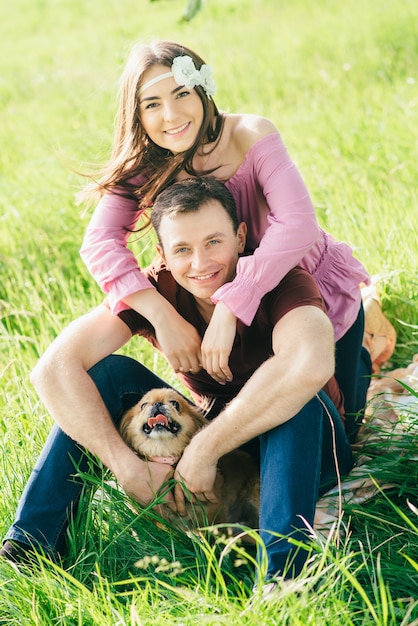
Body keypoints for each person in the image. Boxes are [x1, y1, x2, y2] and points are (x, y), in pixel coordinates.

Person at [1, 178, 368, 588]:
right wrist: (126, 468)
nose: (200, 263)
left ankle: (283, 578)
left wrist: (203, 451)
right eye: (182, 250)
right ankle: (30, 547)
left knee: (294, 388)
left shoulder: (283, 282)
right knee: (106, 374)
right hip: (224, 432)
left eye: (214, 242)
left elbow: (310, 364)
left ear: (241, 236)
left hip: (309, 440)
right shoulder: (159, 290)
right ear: (162, 253)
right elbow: (52, 369)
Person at [78, 39, 372, 441]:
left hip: (305, 297)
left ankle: (360, 355)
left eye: (182, 93)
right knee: (250, 422)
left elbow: (298, 225)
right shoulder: (145, 166)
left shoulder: (250, 133)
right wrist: (163, 316)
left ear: (202, 91)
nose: (171, 115)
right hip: (226, 304)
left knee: (339, 428)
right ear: (137, 116)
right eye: (152, 104)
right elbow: (99, 243)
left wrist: (233, 301)